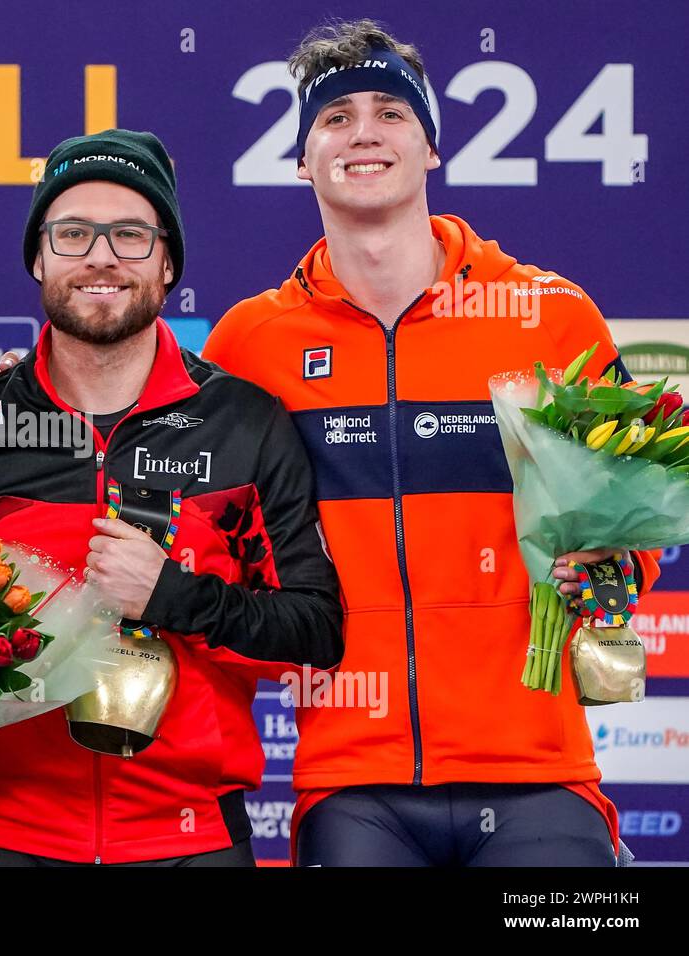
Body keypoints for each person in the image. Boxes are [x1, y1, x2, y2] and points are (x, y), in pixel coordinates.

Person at [200, 19, 660, 866]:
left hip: (540, 769)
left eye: (390, 112)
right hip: (351, 781)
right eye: (335, 116)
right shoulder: (248, 343)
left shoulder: (548, 314)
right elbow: (207, 534)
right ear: (302, 158)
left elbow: (633, 521)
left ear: (432, 148)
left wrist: (608, 565)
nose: (364, 132)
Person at [0, 129, 343, 866]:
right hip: (15, 838)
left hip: (194, 839)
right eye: (73, 234)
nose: (101, 257)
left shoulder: (244, 423)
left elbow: (316, 632)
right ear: (38, 258)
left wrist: (172, 595)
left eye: (131, 235)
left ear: (167, 264)